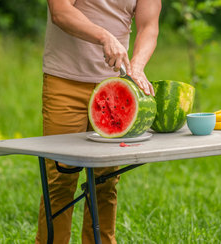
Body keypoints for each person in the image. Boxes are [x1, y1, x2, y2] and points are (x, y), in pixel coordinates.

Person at [35, 0, 161, 243]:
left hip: (114, 87)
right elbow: (60, 11)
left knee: (105, 183)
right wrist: (104, 36)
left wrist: (137, 66)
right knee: (60, 180)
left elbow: (149, 26)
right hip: (65, 81)